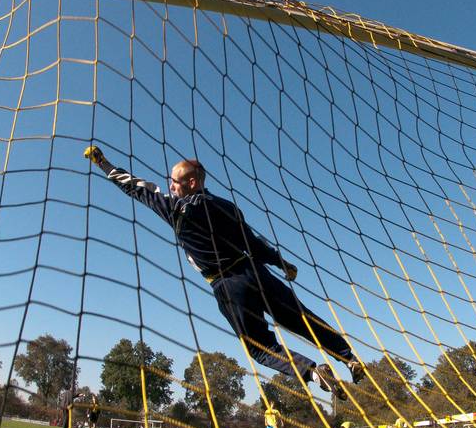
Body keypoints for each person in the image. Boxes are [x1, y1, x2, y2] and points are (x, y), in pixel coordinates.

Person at [83, 146, 364, 399]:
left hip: (229, 286)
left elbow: (137, 187)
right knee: (303, 319)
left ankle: (313, 372)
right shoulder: (227, 207)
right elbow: (253, 243)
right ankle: (349, 357)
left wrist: (104, 164)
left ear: (191, 182)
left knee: (259, 347)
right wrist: (281, 263)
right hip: (256, 271)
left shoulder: (176, 209)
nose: (170, 185)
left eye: (174, 181)